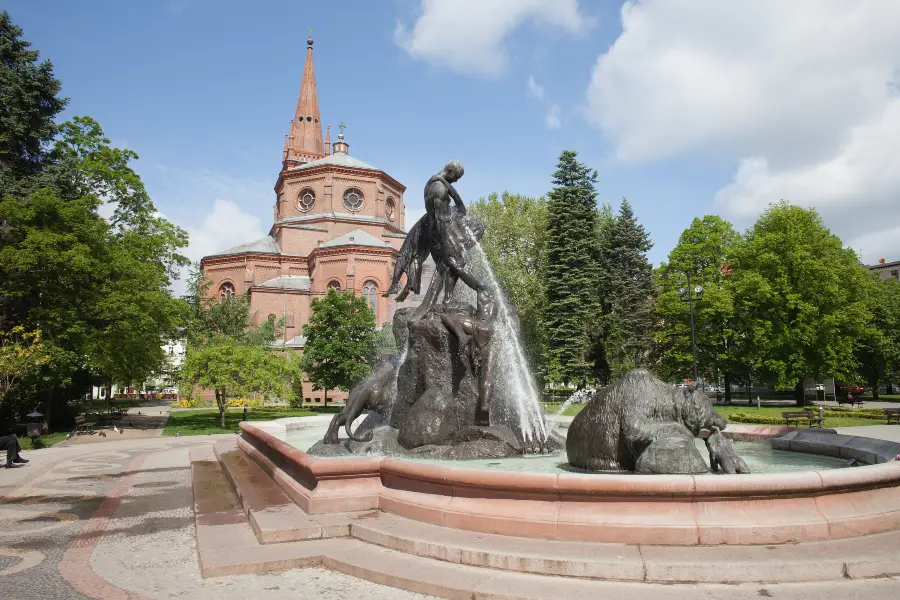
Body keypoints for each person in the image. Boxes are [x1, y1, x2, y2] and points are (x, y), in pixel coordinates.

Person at [441, 289, 499, 425]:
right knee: (487, 376)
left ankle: (461, 336)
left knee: (446, 317)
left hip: (478, 327)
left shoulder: (483, 292)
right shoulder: (498, 304)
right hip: (491, 331)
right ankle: (485, 407)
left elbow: (445, 315)